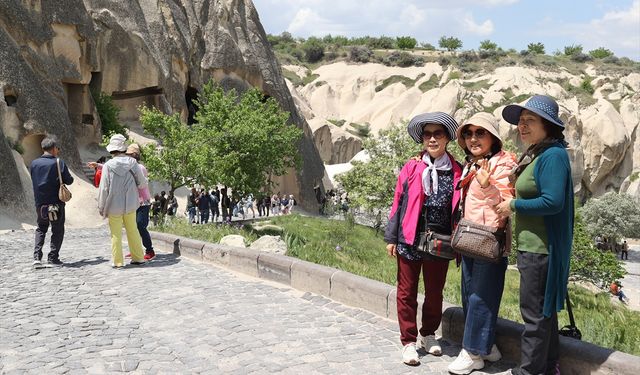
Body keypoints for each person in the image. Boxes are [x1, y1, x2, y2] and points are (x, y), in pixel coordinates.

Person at [495, 95, 574, 375]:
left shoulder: (552, 155)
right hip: (535, 247)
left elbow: (553, 202)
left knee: (533, 315)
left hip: (541, 249)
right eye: (520, 121)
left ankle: (529, 371)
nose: (522, 126)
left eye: (529, 121)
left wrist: (513, 204)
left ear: (547, 125)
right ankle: (549, 366)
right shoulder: (542, 153)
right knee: (543, 314)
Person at [384, 112, 462, 365]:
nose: (431, 139)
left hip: (440, 240)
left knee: (434, 292)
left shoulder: (457, 169)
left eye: (437, 134)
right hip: (409, 236)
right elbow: (398, 202)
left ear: (447, 138)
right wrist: (391, 237)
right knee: (406, 291)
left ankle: (428, 334)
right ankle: (408, 341)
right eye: (427, 134)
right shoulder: (412, 166)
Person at [447, 113, 518, 375]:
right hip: (470, 237)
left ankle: (472, 353)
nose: (473, 138)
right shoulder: (472, 163)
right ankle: (487, 347)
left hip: (488, 239)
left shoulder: (503, 163)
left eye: (480, 133)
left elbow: (505, 205)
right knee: (470, 294)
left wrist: (488, 186)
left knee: (480, 296)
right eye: (468, 133)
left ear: (493, 137)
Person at [97, 134, 147, 268]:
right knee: (133, 230)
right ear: (123, 148)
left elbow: (104, 188)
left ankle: (118, 261)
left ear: (112, 150)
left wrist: (101, 206)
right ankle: (138, 258)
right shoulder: (133, 163)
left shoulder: (108, 165)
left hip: (114, 205)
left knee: (116, 233)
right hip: (131, 203)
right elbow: (142, 183)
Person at [30, 136, 74, 266]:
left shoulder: (34, 163)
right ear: (54, 148)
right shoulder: (58, 162)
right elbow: (69, 180)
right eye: (57, 148)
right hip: (56, 203)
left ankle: (37, 257)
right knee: (57, 229)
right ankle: (53, 258)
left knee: (41, 228)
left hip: (40, 203)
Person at [125, 144, 155, 260]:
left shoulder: (140, 168)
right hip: (134, 201)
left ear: (134, 155)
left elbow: (141, 184)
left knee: (140, 225)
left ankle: (150, 250)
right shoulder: (130, 168)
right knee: (133, 227)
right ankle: (135, 251)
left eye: (128, 155)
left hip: (143, 202)